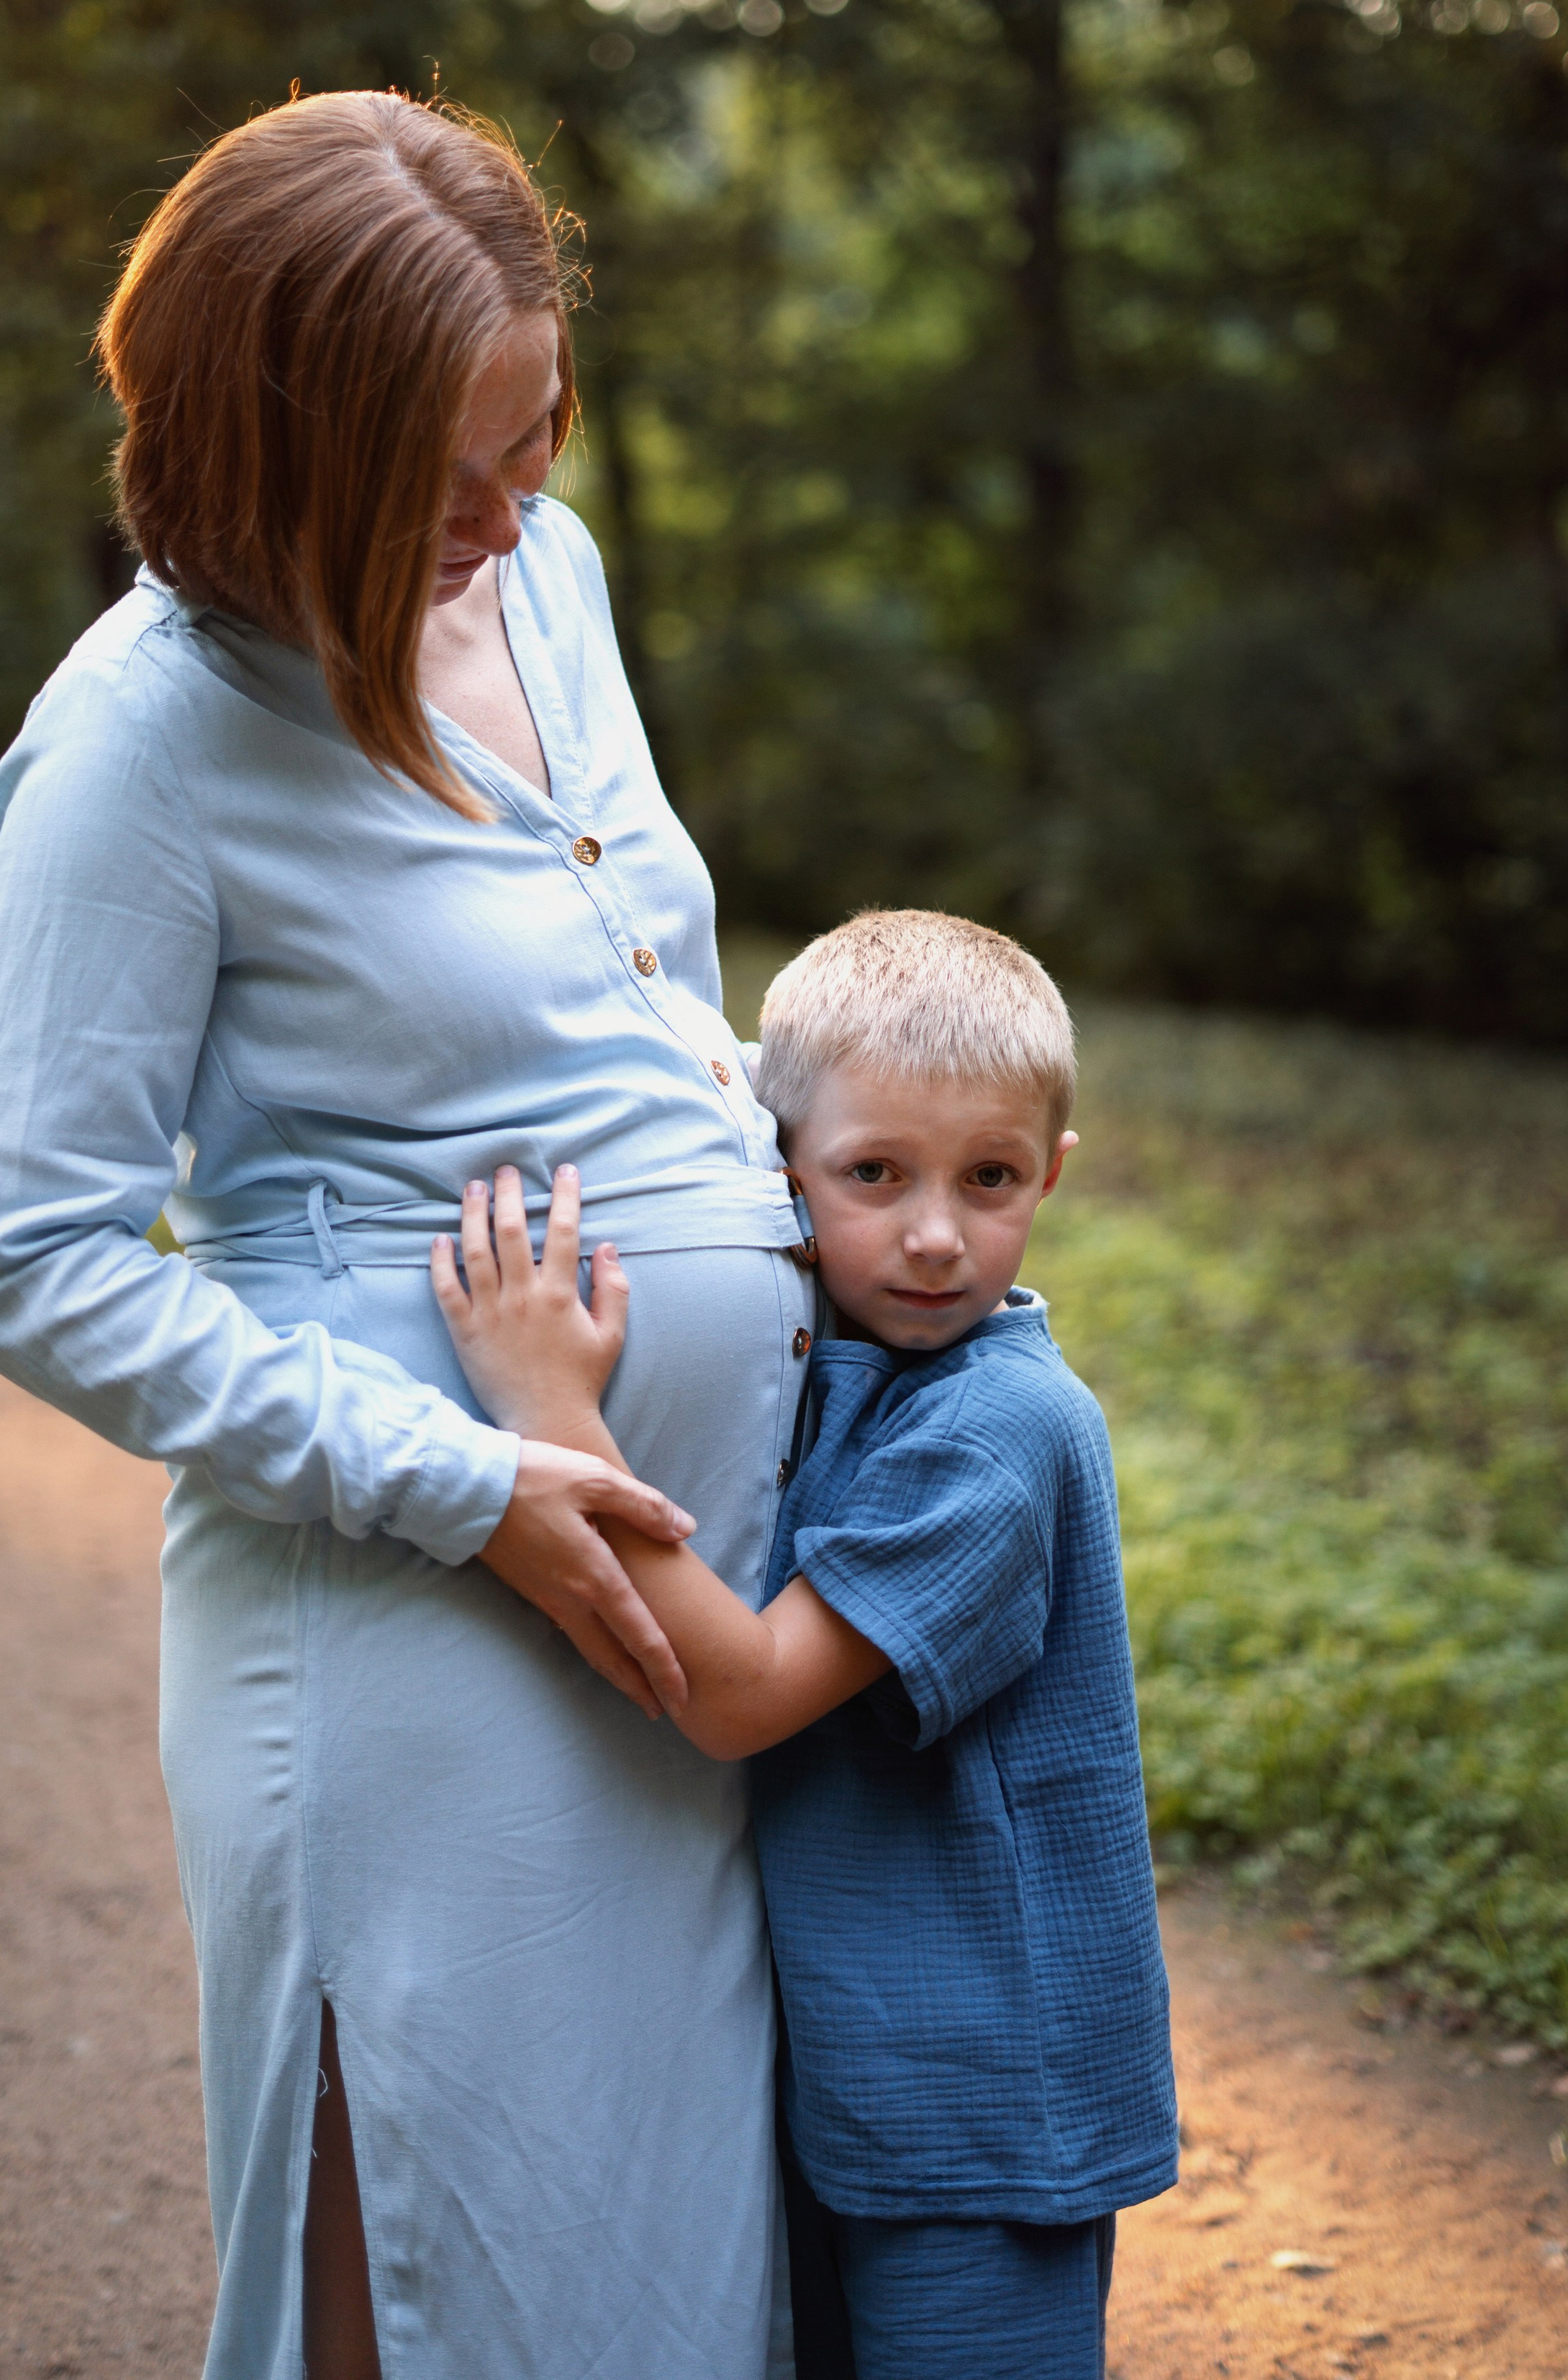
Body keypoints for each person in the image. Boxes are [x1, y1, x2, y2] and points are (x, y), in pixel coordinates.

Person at [0, 91, 817, 2380]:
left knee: (655, 2288)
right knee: (433, 2277)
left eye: (533, 440)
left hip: (669, 1609)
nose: (501, 514)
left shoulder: (553, 569)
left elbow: (624, 988)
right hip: (413, 1619)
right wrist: (462, 1483)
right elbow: (21, 1250)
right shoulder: (142, 746)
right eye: (438, 474)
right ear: (258, 443)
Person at [432, 909, 1179, 2380]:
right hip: (842, 2077)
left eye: (989, 1181)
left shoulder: (997, 1429)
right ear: (780, 1170)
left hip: (976, 2106)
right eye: (871, 1175)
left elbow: (744, 1698)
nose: (930, 1234)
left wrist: (556, 1422)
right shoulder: (836, 1373)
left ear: (1051, 1176)